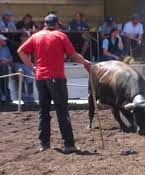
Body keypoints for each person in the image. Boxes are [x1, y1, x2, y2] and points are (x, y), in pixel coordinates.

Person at [17, 14, 92, 153]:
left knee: (43, 111)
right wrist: (86, 62)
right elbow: (73, 54)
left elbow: (20, 51)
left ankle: (44, 144)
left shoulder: (35, 36)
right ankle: (68, 144)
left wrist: (33, 68)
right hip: (56, 77)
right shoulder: (60, 35)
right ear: (56, 24)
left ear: (45, 24)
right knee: (62, 111)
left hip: (40, 78)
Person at [11, 32, 35, 105]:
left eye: (26, 37)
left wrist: (32, 64)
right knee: (20, 77)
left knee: (30, 77)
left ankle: (30, 97)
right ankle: (23, 97)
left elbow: (32, 56)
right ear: (21, 38)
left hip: (26, 64)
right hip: (18, 63)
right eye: (23, 37)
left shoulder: (30, 45)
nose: (25, 38)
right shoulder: (16, 45)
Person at [0, 34, 12, 104]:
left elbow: (11, 58)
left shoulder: (6, 48)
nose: (5, 41)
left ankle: (7, 99)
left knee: (5, 83)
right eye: (3, 40)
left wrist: (7, 61)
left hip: (4, 67)